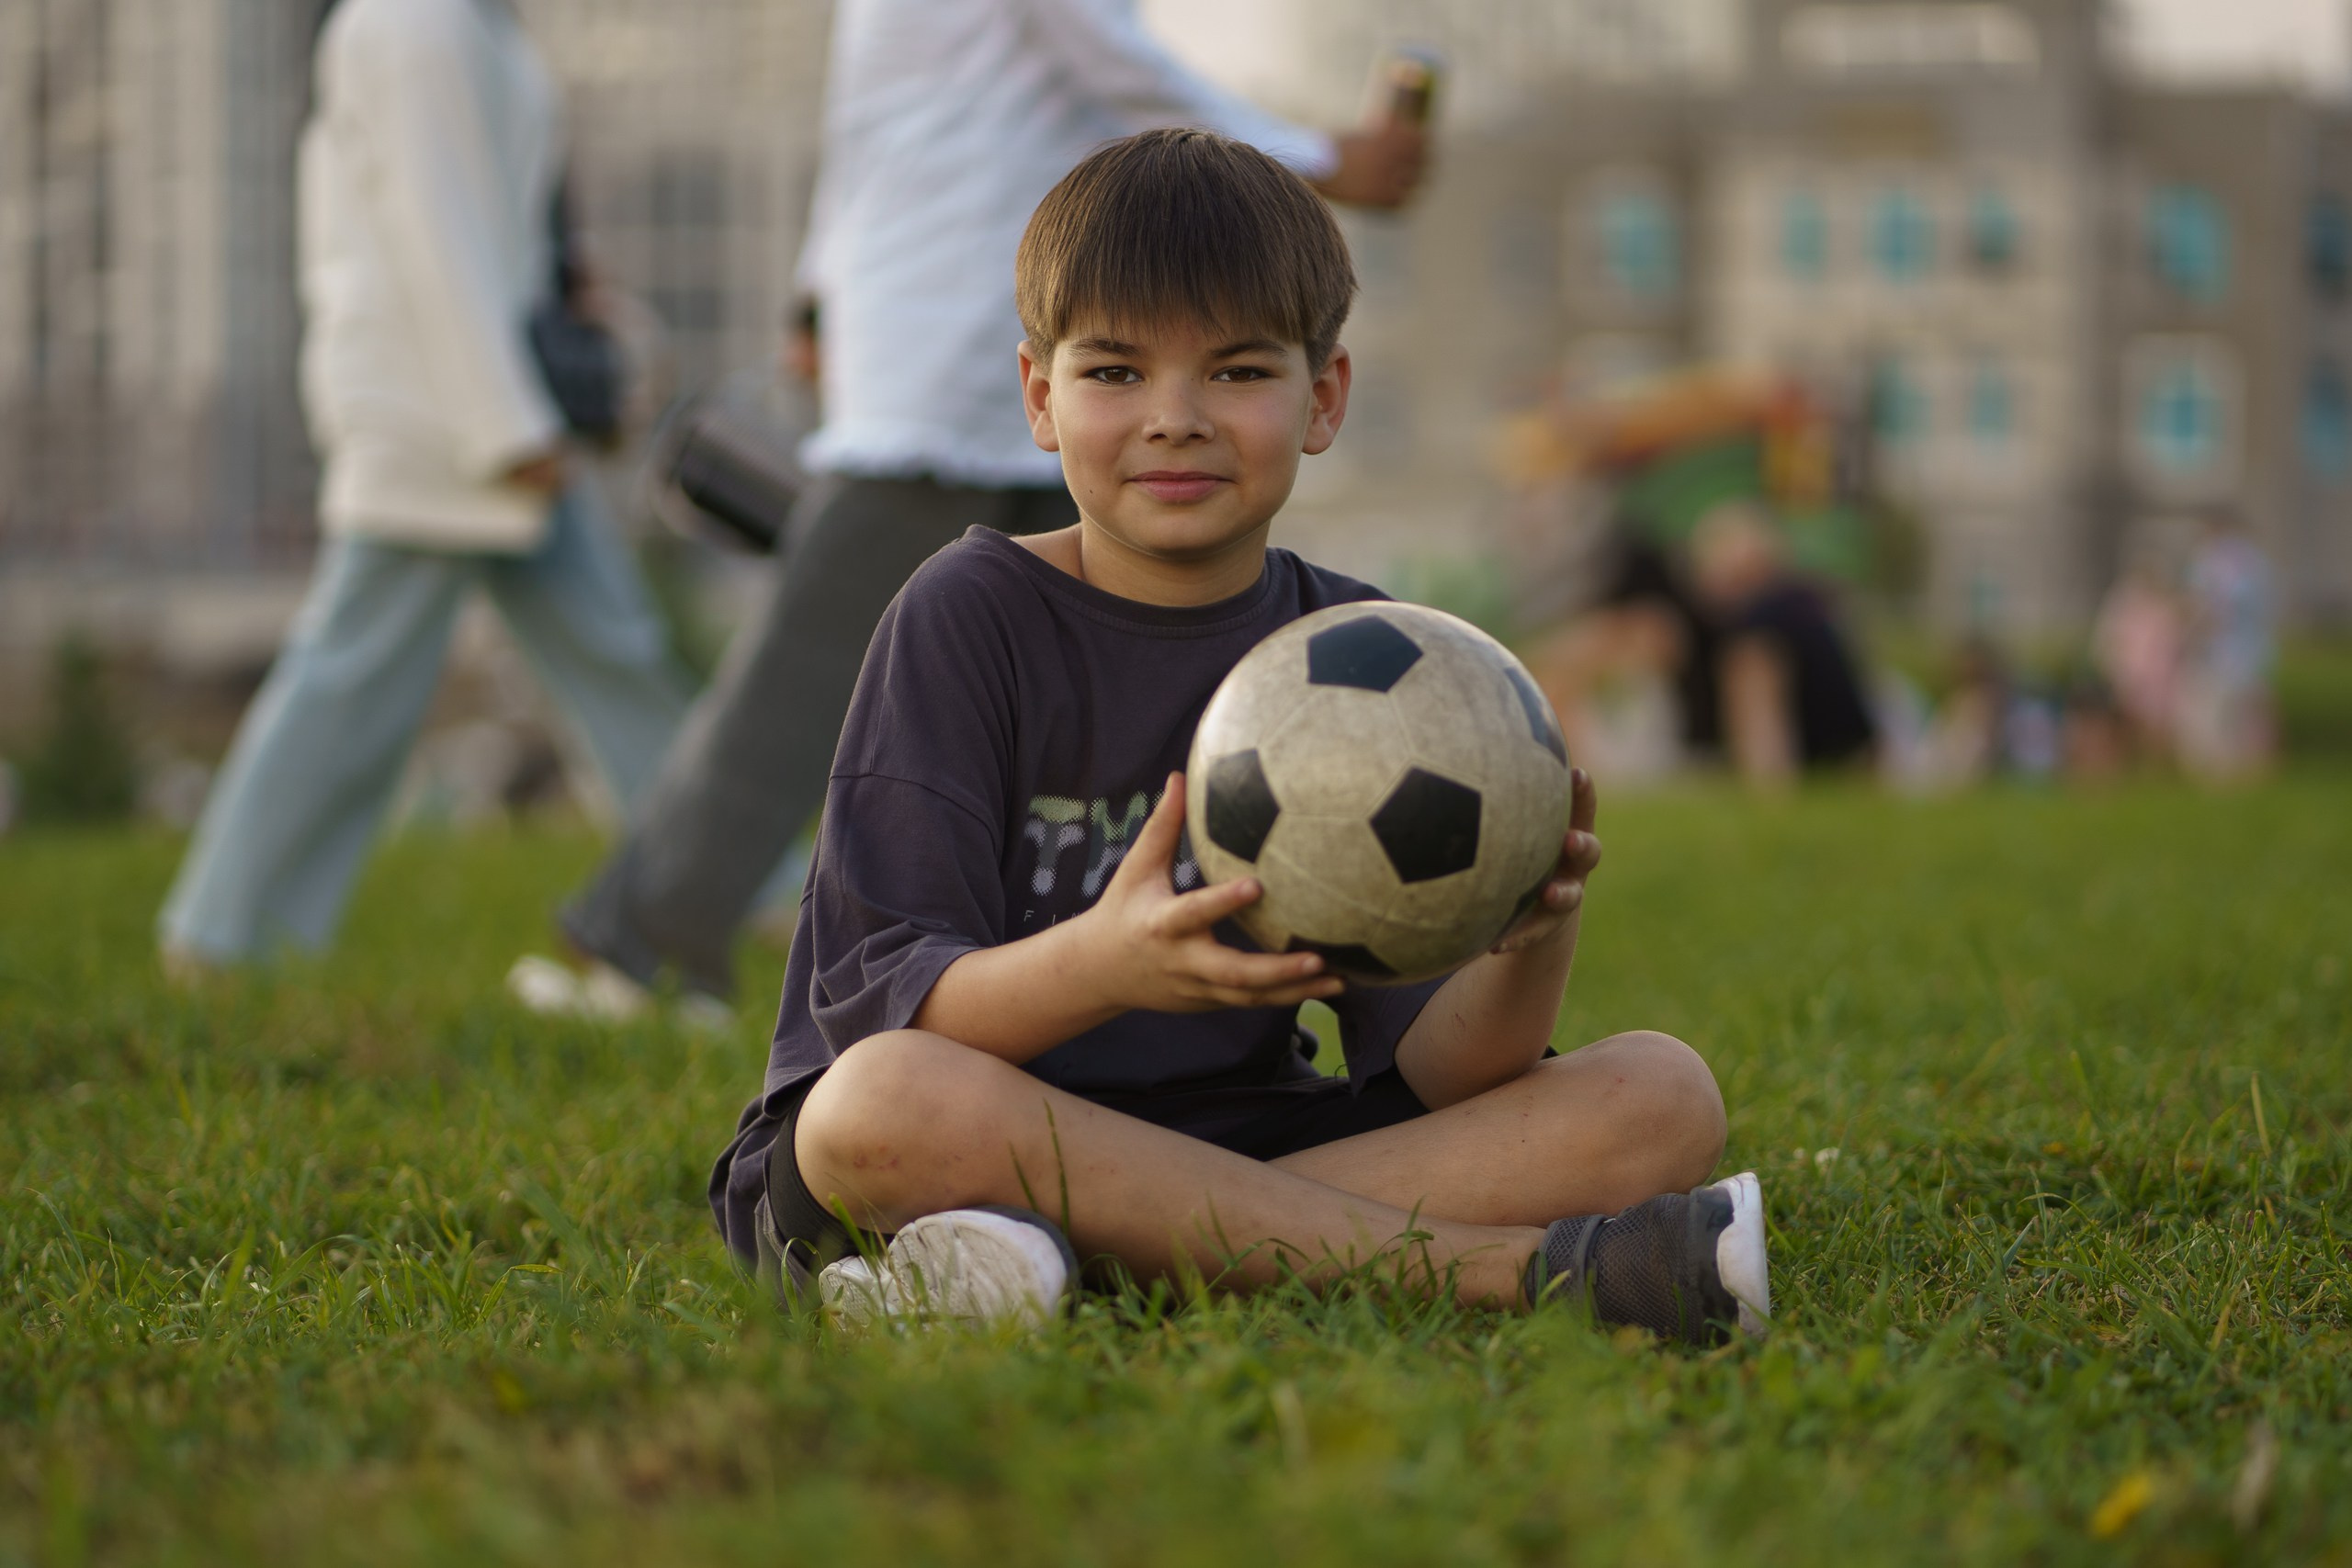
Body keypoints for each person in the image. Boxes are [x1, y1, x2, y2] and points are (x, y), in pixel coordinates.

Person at [712, 131, 1769, 1340]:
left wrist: (1528, 934)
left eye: (1234, 371)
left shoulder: (1381, 656)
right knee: (881, 1102)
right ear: (1039, 398)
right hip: (954, 1132)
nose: (1174, 419)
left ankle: (1061, 1265)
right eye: (1114, 372)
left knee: (1658, 1095)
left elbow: (1448, 1077)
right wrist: (1106, 964)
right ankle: (1515, 1272)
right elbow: (883, 1024)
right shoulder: (969, 614)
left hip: (1233, 1130)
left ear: (1322, 398)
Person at [523, 0, 1429, 1017]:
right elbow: (1104, 64)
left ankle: (1098, 945)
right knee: (813, 659)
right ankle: (650, 942)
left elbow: (894, 110)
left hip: (1045, 354)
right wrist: (1320, 158)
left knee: (1108, 669)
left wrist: (818, 291)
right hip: (959, 357)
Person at [158, 0, 690, 971]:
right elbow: (435, 234)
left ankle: (734, 885)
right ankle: (224, 937)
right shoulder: (412, 23)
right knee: (354, 676)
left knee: (612, 652)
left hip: (479, 406)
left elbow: (496, 220)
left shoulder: (470, 23)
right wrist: (509, 424)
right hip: (437, 414)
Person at [1688, 502, 1877, 786]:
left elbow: (1762, 734)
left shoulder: (1758, 626)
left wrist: (1766, 786)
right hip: (1856, 765)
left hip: (1830, 773)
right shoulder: (1803, 603)